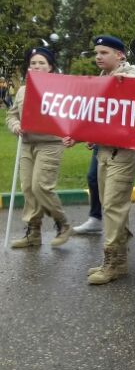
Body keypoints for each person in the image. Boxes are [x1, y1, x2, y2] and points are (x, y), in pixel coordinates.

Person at [77, 36, 135, 285]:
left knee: (114, 207)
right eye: (97, 53)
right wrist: (92, 135)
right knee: (110, 207)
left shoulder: (130, 81)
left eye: (104, 52)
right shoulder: (103, 80)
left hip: (123, 153)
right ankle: (119, 262)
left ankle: (111, 261)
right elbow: (103, 117)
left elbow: (131, 116)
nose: (98, 57)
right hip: (104, 151)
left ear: (120, 55)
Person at [6, 47, 74, 248]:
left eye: (41, 63)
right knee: (27, 188)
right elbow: (11, 115)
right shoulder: (22, 90)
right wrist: (15, 125)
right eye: (33, 63)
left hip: (51, 144)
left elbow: (70, 114)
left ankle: (62, 223)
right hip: (27, 144)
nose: (36, 66)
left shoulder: (60, 89)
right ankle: (33, 232)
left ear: (50, 66)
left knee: (40, 186)